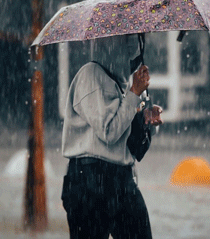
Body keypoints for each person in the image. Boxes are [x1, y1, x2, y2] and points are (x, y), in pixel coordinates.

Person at [61, 34, 163, 239]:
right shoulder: (90, 76)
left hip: (121, 179)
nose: (133, 50)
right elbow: (109, 132)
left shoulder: (120, 82)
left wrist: (146, 120)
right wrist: (133, 93)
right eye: (127, 40)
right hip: (90, 180)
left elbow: (125, 135)